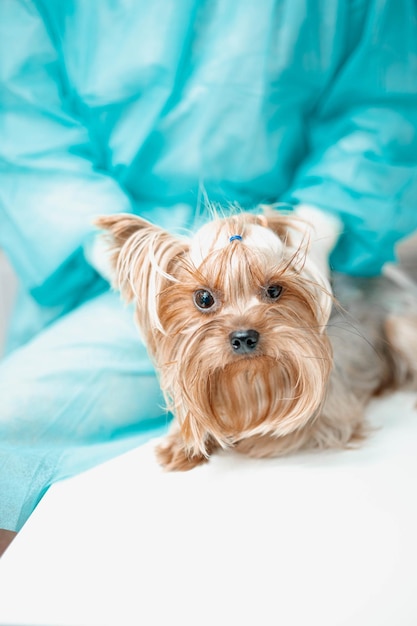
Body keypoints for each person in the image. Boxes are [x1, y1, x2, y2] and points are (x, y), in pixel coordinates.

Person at [1, 0, 417, 555]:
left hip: (306, 236)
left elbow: (388, 97)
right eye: (208, 301)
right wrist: (113, 253)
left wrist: (320, 222)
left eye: (269, 295)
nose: (244, 325)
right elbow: (19, 118)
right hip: (92, 264)